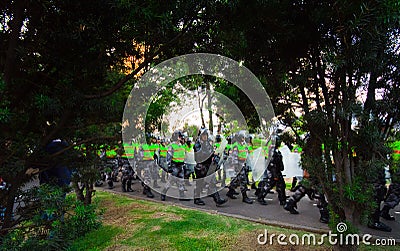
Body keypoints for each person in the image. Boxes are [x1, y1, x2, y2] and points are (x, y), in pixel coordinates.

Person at [193, 128, 227, 206]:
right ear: (201, 135)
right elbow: (200, 155)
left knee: (212, 182)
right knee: (199, 184)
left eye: (206, 135)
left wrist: (215, 155)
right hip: (201, 166)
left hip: (208, 166)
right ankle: (196, 199)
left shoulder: (207, 143)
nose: (205, 136)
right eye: (204, 135)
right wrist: (211, 154)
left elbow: (210, 152)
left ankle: (217, 199)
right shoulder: (197, 144)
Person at [226, 131, 253, 204]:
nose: (243, 138)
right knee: (243, 180)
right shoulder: (235, 146)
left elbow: (246, 153)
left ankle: (230, 191)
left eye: (243, 137)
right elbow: (234, 158)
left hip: (243, 164)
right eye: (242, 137)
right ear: (239, 138)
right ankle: (245, 197)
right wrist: (237, 166)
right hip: (238, 165)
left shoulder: (244, 145)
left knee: (236, 180)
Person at [161, 131, 188, 201]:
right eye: (180, 136)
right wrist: (169, 167)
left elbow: (183, 156)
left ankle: (182, 196)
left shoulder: (181, 145)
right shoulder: (172, 146)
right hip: (174, 166)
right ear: (176, 137)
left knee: (181, 181)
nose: (181, 137)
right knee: (171, 181)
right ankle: (163, 193)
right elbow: (168, 157)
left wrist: (184, 164)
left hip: (181, 166)